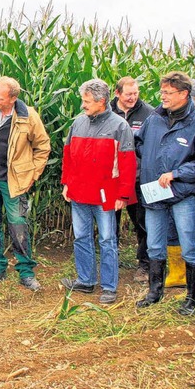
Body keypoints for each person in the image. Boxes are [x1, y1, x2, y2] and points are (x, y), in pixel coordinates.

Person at [0, 76, 50, 291]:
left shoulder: (28, 117)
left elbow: (43, 146)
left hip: (14, 180)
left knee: (18, 225)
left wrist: (33, 175)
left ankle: (26, 271)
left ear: (13, 98)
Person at [60, 79, 137, 304]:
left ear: (101, 101)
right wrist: (67, 183)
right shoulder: (78, 123)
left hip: (106, 195)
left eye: (87, 101)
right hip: (79, 193)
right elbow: (68, 157)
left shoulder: (119, 126)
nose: (83, 105)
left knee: (107, 240)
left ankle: (109, 287)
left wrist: (123, 195)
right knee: (82, 237)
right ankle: (85, 280)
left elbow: (127, 163)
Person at [135, 71, 195, 315]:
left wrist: (177, 172)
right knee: (154, 245)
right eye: (162, 91)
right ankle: (155, 292)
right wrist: (152, 166)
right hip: (155, 192)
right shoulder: (155, 118)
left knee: (190, 247)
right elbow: (140, 142)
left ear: (184, 94)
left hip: (184, 193)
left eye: (168, 92)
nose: (162, 96)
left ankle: (191, 299)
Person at [110, 77, 154, 282]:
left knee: (142, 223)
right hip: (110, 179)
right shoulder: (106, 111)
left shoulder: (149, 113)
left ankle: (144, 265)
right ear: (117, 93)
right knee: (110, 224)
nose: (133, 98)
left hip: (137, 179)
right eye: (128, 94)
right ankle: (111, 263)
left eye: (136, 93)